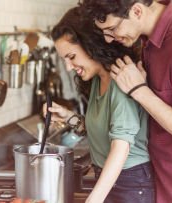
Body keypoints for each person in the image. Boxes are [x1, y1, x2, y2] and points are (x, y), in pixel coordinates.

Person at [79, 0, 172, 202]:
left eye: (112, 28)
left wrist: (139, 90)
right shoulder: (148, 42)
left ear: (137, 10)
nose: (108, 39)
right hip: (166, 183)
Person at [45, 7, 154, 203]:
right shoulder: (98, 80)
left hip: (130, 184)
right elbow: (104, 129)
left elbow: (121, 147)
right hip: (112, 180)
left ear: (90, 46)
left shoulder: (120, 79)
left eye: (71, 57)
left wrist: (94, 199)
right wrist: (68, 117)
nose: (69, 67)